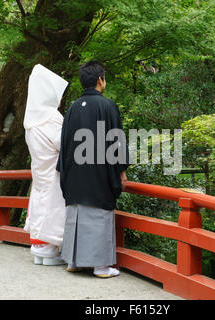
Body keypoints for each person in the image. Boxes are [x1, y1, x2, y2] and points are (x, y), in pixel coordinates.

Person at [56, 61, 130, 278]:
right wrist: (122, 172)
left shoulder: (71, 109)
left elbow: (65, 144)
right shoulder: (107, 107)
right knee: (98, 212)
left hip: (74, 173)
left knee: (76, 211)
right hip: (98, 173)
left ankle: (73, 261)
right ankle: (100, 266)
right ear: (100, 80)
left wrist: (65, 171)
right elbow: (115, 142)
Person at [23, 64, 68, 266]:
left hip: (39, 170)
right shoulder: (51, 117)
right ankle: (50, 248)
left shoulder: (31, 119)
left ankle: (39, 249)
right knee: (53, 206)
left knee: (40, 201)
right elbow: (64, 144)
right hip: (53, 170)